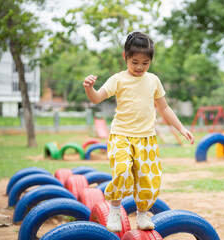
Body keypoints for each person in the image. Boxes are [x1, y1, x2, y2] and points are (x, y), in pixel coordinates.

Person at [83, 31, 195, 232]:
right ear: (124, 56)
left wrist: (181, 128)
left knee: (149, 180)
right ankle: (115, 210)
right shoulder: (118, 79)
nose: (139, 67)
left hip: (147, 140)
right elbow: (97, 98)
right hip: (121, 136)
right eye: (135, 62)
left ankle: (142, 214)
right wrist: (89, 88)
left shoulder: (153, 80)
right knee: (122, 170)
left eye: (145, 63)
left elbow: (164, 108)